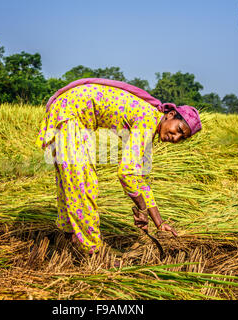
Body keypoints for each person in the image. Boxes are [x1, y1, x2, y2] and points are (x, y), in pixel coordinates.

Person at [36, 78, 202, 254]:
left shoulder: (149, 121)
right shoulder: (148, 120)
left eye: (182, 138)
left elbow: (139, 179)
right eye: (179, 130)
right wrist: (142, 209)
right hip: (70, 114)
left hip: (69, 114)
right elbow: (126, 173)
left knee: (71, 182)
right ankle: (93, 251)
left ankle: (69, 240)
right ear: (170, 115)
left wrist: (159, 223)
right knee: (83, 183)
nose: (175, 137)